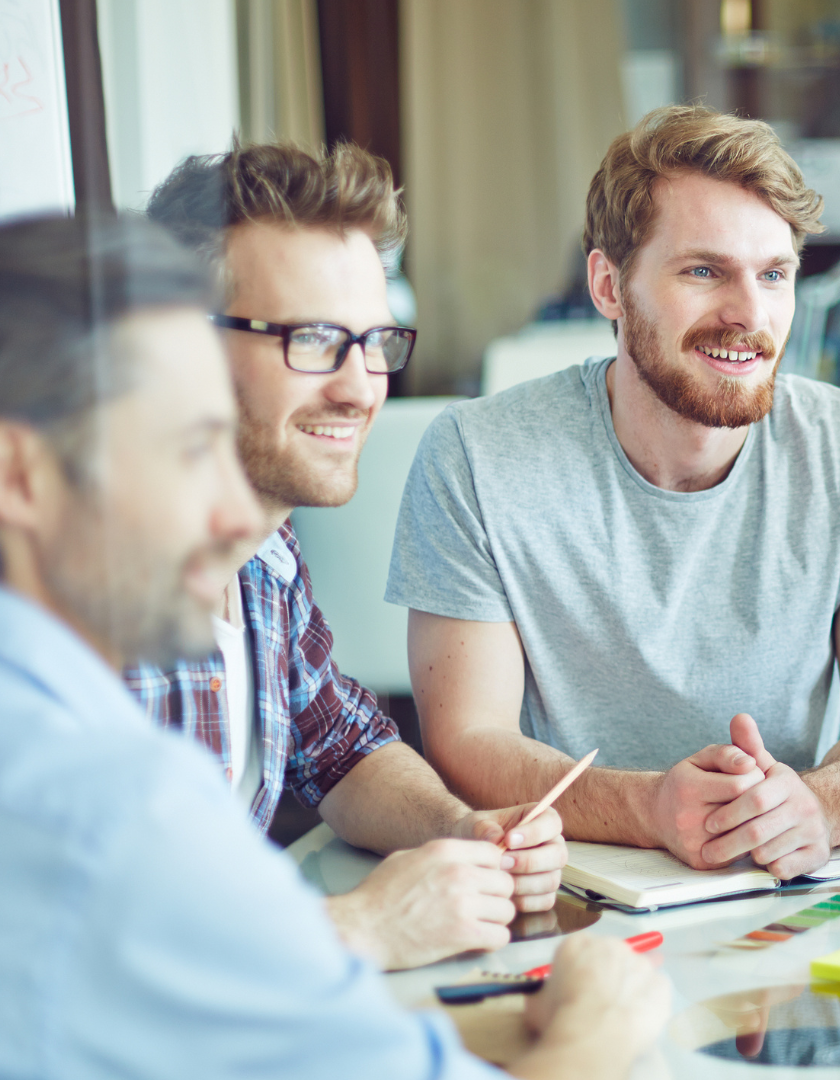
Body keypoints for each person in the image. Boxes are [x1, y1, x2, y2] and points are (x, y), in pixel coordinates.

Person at [0, 213, 669, 1079]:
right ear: (18, 476)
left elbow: (344, 744)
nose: (237, 517)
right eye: (186, 451)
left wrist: (460, 829)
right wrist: (600, 1025)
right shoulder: (114, 807)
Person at [387, 105, 840, 880]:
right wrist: (647, 808)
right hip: (565, 885)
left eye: (774, 275)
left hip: (776, 883)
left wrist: (822, 805)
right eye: (703, 271)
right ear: (608, 286)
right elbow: (465, 740)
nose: (750, 315)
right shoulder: (476, 456)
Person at [122, 142, 567, 972]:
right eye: (317, 339)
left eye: (376, 341)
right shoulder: (88, 587)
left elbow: (345, 750)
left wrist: (462, 829)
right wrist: (362, 928)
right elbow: (87, 936)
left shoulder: (263, 557)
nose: (362, 387)